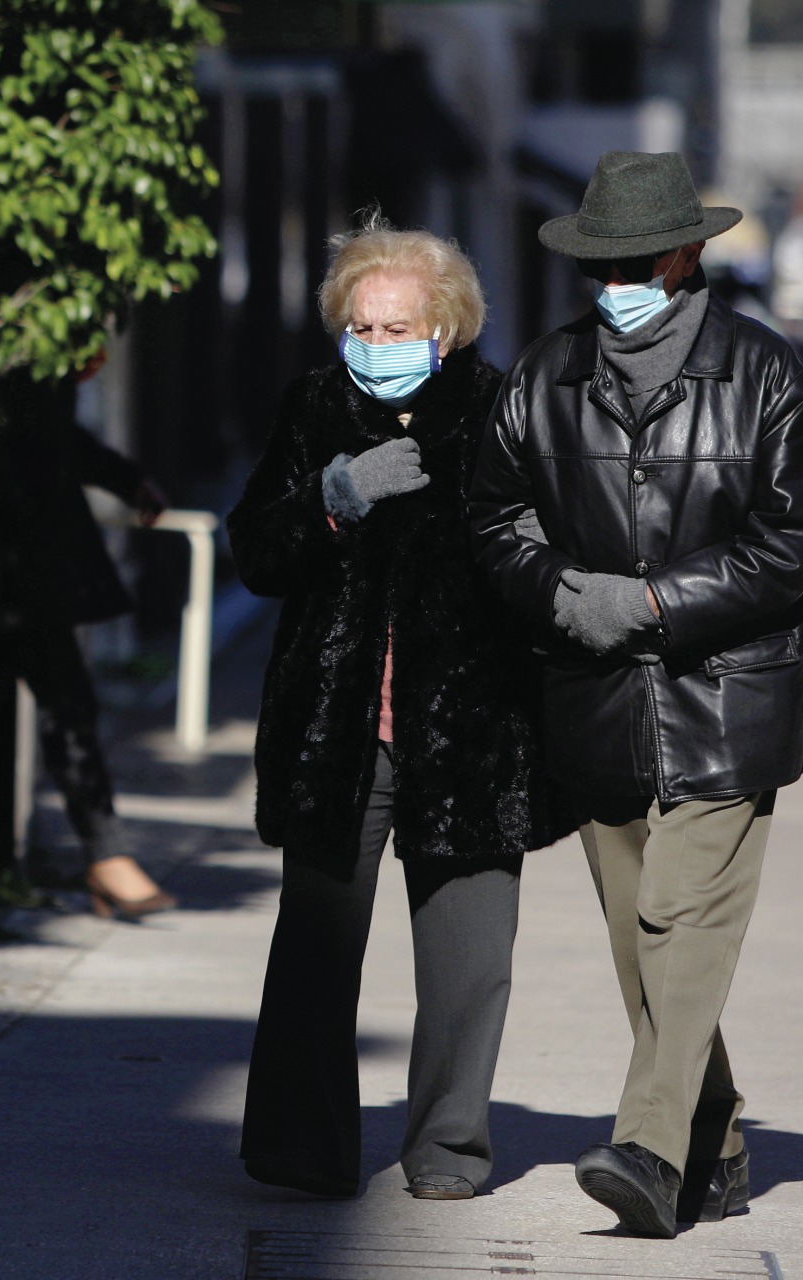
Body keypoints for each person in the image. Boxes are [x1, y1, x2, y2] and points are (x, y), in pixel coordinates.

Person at [470, 151, 803, 1237]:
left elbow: (789, 541)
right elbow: (493, 518)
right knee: (644, 941)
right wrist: (566, 593)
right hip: (594, 699)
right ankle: (714, 1143)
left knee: (683, 919)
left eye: (635, 259)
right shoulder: (544, 373)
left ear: (686, 254)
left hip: (729, 698)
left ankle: (649, 1152)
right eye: (600, 259)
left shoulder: (766, 372)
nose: (615, 277)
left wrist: (658, 603)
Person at [231, 214, 572, 1202]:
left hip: (472, 731)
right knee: (315, 948)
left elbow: (540, 563)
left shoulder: (504, 413)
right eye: (362, 328)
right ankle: (301, 1143)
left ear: (449, 327)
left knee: (469, 963)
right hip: (337, 731)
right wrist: (333, 496)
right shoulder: (313, 409)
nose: (377, 348)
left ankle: (449, 1147)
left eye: (397, 329)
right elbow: (255, 548)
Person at [0, 367, 175, 922]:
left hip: (26, 556)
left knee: (45, 704)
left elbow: (53, 436)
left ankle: (7, 868)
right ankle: (89, 857)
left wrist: (122, 479)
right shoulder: (13, 339)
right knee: (36, 707)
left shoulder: (35, 348)